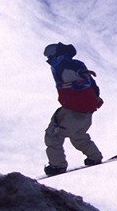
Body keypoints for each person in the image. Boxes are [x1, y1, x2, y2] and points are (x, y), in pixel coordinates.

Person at [43, 43, 104, 176]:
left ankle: (57, 165)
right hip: (86, 113)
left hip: (71, 111)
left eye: (49, 57)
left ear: (55, 55)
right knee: (78, 137)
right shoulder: (77, 64)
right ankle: (94, 157)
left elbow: (71, 72)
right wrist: (96, 98)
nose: (48, 60)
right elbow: (93, 86)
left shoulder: (61, 64)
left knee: (53, 135)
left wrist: (80, 74)